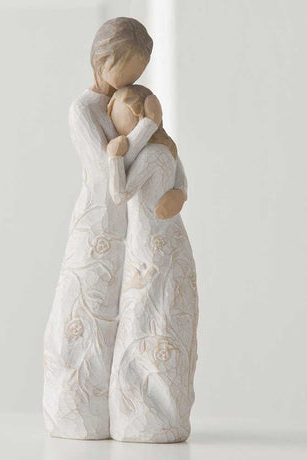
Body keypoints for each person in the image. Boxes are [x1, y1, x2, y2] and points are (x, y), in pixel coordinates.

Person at [43, 18, 187, 440]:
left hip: (133, 227)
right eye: (126, 69)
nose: (131, 81)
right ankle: (78, 409)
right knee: (87, 310)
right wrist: (147, 126)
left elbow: (146, 163)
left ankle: (128, 407)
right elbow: (109, 171)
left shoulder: (122, 102)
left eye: (138, 72)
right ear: (103, 59)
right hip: (99, 222)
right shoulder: (83, 110)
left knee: (130, 315)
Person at [107, 85, 198, 443]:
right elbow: (182, 183)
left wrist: (114, 158)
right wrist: (178, 195)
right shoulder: (167, 150)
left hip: (148, 245)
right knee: (163, 315)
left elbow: (119, 193)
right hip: (171, 240)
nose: (114, 126)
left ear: (136, 117)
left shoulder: (150, 156)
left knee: (143, 318)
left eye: (118, 117)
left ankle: (143, 412)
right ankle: (167, 412)